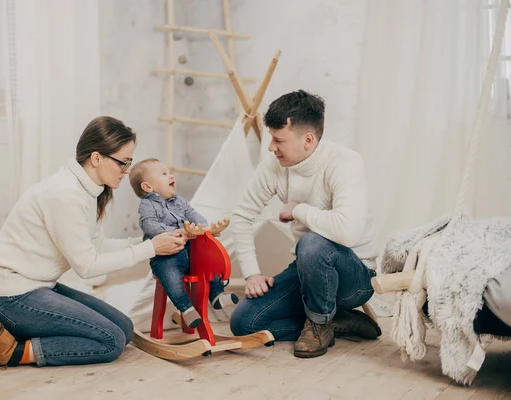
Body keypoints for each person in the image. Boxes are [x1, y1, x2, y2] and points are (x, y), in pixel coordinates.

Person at [0, 116, 187, 367]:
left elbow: (95, 246)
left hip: (38, 287)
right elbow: (87, 266)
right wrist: (150, 248)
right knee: (111, 341)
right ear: (97, 158)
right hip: (9, 297)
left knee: (124, 328)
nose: (127, 170)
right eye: (123, 162)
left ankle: (22, 333)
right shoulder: (65, 194)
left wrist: (149, 242)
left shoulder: (88, 191)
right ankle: (8, 351)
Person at [229, 90, 381, 358]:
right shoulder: (274, 167)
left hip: (355, 278)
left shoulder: (345, 163)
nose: (271, 147)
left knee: (312, 242)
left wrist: (298, 209)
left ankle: (320, 324)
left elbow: (346, 231)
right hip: (308, 270)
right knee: (244, 324)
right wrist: (252, 273)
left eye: (278, 140)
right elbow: (242, 216)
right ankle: (335, 322)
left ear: (308, 140)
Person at [129, 158, 239, 328]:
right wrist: (170, 231)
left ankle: (217, 295)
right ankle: (186, 309)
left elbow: (192, 213)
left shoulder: (178, 201)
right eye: (164, 174)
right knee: (171, 276)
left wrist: (204, 226)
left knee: (208, 262)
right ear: (148, 187)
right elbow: (148, 224)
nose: (171, 175)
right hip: (166, 255)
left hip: (189, 250)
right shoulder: (147, 204)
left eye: (169, 173)